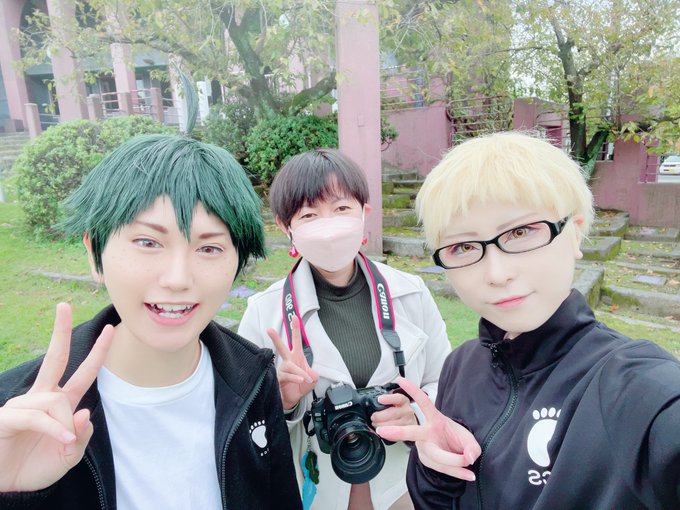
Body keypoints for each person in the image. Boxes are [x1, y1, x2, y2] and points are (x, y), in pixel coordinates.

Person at [376, 131, 680, 509]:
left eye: (520, 232)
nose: (497, 273)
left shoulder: (636, 386)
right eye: (463, 246)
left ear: (575, 233)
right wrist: (436, 470)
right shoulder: (459, 367)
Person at [0, 134, 302, 510]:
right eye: (148, 242)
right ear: (95, 253)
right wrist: (10, 492)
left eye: (209, 248)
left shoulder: (254, 378)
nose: (177, 279)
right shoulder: (17, 414)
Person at [237, 148, 452, 510]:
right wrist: (284, 402)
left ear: (364, 213)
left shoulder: (411, 293)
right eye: (309, 215)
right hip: (313, 492)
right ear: (286, 227)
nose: (328, 227)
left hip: (404, 486)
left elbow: (446, 382)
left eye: (341, 209)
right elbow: (246, 426)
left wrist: (414, 411)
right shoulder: (264, 313)